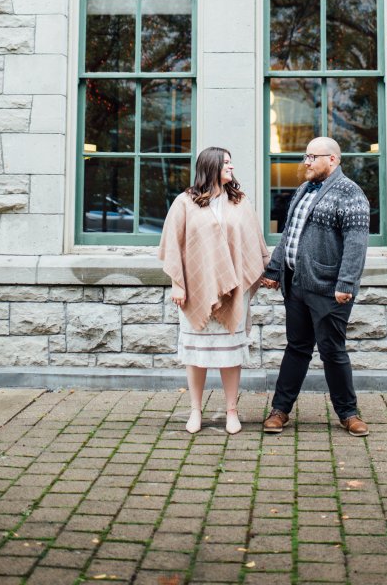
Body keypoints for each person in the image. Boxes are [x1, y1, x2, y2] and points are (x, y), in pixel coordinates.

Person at [260, 137, 370, 437]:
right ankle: (280, 410)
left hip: (329, 288)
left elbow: (357, 243)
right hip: (295, 285)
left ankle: (348, 414)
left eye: (312, 157)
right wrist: (273, 269)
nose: (306, 162)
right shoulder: (303, 190)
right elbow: (289, 235)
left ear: (332, 160)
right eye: (305, 156)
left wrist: (346, 282)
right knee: (296, 348)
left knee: (333, 351)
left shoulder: (350, 193)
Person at [159, 147, 269, 435]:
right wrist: (178, 283)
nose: (231, 167)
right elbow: (174, 244)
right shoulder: (185, 202)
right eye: (226, 163)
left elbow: (254, 241)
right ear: (211, 167)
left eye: (232, 162)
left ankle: (232, 411)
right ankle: (195, 410)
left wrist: (266, 270)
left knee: (230, 354)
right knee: (197, 354)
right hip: (196, 290)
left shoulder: (240, 202)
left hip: (233, 291)